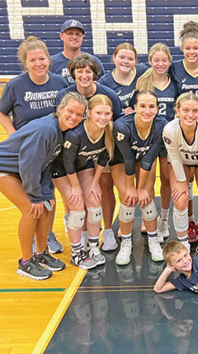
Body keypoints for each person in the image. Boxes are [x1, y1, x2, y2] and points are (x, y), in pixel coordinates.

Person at [0, 92, 87, 280]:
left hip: (22, 169)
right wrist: (35, 197)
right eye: (70, 111)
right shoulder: (46, 130)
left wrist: (46, 194)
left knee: (47, 207)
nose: (74, 117)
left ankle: (41, 253)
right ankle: (26, 262)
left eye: (80, 114)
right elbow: (30, 166)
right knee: (31, 210)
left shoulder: (61, 131)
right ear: (60, 109)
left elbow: (45, 164)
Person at [0, 36, 69, 253]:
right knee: (33, 198)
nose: (39, 63)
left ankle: (47, 234)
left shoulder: (59, 82)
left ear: (49, 59)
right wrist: (13, 136)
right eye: (33, 60)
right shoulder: (16, 85)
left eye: (42, 58)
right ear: (25, 63)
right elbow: (1, 112)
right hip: (29, 151)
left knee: (50, 197)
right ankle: (34, 241)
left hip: (54, 149)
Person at [57, 53, 123, 248]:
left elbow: (116, 122)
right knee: (76, 197)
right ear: (73, 74)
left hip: (101, 148)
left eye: (88, 71)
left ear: (95, 74)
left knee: (102, 188)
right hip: (74, 153)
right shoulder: (65, 96)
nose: (84, 75)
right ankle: (82, 234)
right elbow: (61, 125)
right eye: (80, 71)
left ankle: (108, 230)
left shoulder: (108, 94)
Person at [52, 94, 115, 269]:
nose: (103, 118)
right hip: (62, 169)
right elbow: (67, 162)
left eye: (107, 113)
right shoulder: (76, 135)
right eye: (98, 113)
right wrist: (75, 187)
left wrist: (95, 183)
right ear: (89, 113)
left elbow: (103, 158)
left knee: (95, 201)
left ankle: (93, 248)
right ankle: (76, 253)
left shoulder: (109, 130)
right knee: (78, 206)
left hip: (84, 166)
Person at [112, 90, 167, 264]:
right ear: (134, 107)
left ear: (158, 108)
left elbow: (149, 159)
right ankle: (126, 243)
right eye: (142, 106)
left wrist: (142, 188)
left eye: (152, 106)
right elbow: (128, 159)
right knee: (128, 199)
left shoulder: (161, 125)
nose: (147, 110)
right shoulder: (122, 126)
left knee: (147, 198)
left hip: (144, 161)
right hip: (121, 161)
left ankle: (153, 240)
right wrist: (131, 187)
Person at [162, 92, 198, 259]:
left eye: (195, 110)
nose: (191, 115)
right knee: (180, 199)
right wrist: (181, 183)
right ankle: (183, 243)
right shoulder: (169, 129)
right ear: (177, 110)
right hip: (180, 162)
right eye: (186, 110)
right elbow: (175, 158)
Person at [136, 43, 177, 241]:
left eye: (164, 60)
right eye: (156, 60)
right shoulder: (143, 82)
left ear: (169, 61)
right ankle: (148, 217)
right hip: (149, 138)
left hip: (169, 138)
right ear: (150, 61)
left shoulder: (174, 82)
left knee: (167, 180)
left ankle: (163, 220)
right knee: (149, 180)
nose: (160, 64)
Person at [169, 21, 198, 123]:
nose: (191, 52)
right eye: (187, 48)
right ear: (182, 48)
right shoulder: (174, 68)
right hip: (183, 122)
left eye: (195, 48)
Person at [50, 19, 105, 85]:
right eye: (70, 33)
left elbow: (102, 87)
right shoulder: (52, 63)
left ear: (82, 37)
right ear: (61, 36)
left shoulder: (94, 61)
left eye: (78, 34)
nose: (74, 37)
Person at [99, 42, 148, 114]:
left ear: (135, 61)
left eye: (130, 59)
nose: (126, 61)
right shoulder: (104, 83)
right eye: (122, 57)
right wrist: (121, 113)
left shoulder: (143, 71)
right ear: (114, 57)